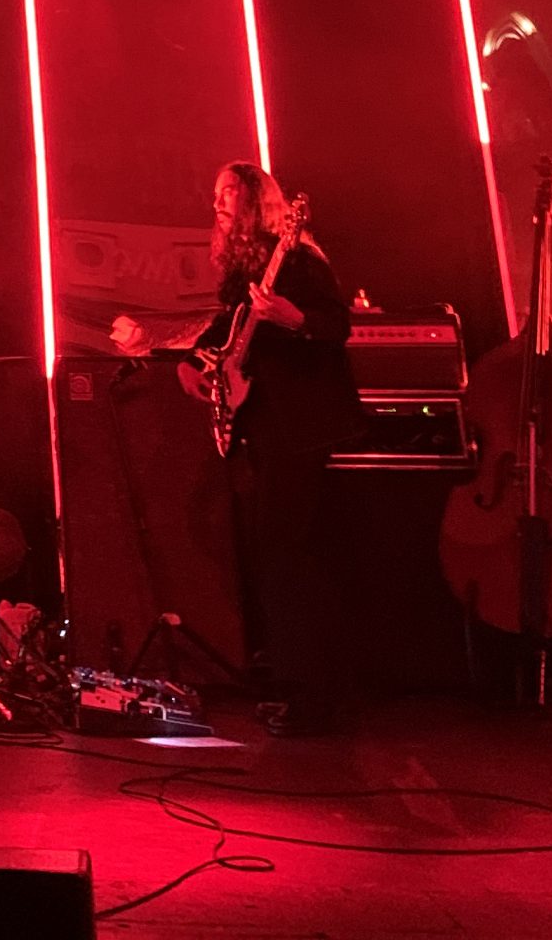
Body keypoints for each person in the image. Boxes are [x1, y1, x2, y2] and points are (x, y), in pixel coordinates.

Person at [185, 160, 361, 735]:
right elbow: (229, 326)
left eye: (228, 193)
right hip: (266, 426)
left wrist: (295, 317)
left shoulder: (299, 259)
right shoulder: (248, 269)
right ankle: (298, 687)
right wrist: (192, 362)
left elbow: (337, 325)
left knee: (286, 557)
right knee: (278, 557)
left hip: (300, 426)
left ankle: (313, 697)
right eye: (216, 193)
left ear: (256, 200)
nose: (217, 202)